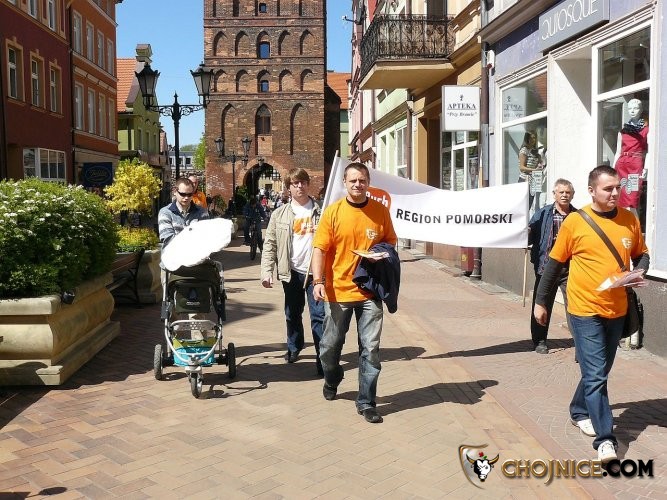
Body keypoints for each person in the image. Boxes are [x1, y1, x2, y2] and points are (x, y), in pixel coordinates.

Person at [533, 165, 649, 464]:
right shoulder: (575, 221)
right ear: (592, 190)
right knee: (597, 375)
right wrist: (541, 302)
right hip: (584, 309)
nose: (615, 193)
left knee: (598, 371)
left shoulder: (629, 219)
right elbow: (554, 264)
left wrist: (639, 271)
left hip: (617, 309)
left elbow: (642, 254)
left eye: (617, 187)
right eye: (608, 188)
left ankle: (579, 409)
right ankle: (605, 440)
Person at [312, 162, 397, 424]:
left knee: (370, 349)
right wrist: (318, 281)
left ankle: (367, 402)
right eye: (353, 181)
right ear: (345, 183)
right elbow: (319, 249)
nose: (358, 185)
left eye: (362, 180)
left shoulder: (380, 211)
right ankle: (332, 377)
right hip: (338, 291)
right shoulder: (333, 212)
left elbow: (391, 242)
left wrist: (380, 254)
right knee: (329, 347)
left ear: (368, 182)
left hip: (370, 291)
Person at [260, 168, 324, 372]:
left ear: (308, 184)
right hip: (292, 272)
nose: (300, 186)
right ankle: (294, 346)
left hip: (316, 273)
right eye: (295, 183)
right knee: (293, 313)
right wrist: (267, 271)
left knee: (319, 316)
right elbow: (270, 244)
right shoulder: (279, 214)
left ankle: (323, 358)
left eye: (303, 182)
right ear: (288, 187)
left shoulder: (322, 211)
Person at [528, 179, 575, 354]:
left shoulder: (578, 216)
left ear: (572, 195)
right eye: (561, 192)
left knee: (575, 305)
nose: (564, 195)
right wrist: (525, 233)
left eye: (568, 192)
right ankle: (539, 341)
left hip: (570, 268)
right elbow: (530, 237)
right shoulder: (542, 214)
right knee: (542, 303)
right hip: (546, 267)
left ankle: (580, 343)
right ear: (554, 194)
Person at [613, 98, 648, 212]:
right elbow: (618, 152)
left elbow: (648, 151)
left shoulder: (646, 130)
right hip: (622, 165)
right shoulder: (623, 131)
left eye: (636, 108)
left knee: (632, 199)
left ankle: (634, 223)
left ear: (641, 110)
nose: (632, 111)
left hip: (635, 166)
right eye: (630, 108)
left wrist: (646, 167)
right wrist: (613, 169)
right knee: (621, 198)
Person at [158, 177, 209, 247]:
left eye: (190, 194)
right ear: (175, 192)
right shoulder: (165, 212)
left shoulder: (202, 212)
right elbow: (168, 239)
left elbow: (205, 237)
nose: (186, 197)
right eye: (183, 194)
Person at [518, 131, 545, 211]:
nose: (533, 140)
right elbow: (522, 167)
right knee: (524, 204)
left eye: (534, 138)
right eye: (531, 138)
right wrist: (534, 170)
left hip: (534, 179)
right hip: (525, 179)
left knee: (530, 202)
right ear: (527, 139)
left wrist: (540, 163)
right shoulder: (524, 150)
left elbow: (538, 162)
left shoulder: (534, 151)